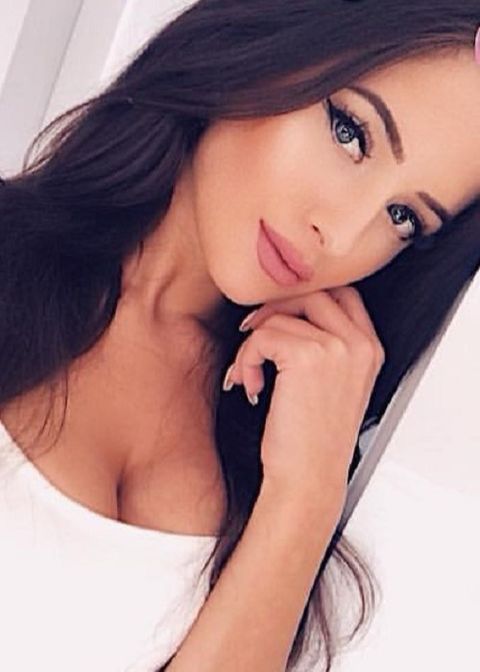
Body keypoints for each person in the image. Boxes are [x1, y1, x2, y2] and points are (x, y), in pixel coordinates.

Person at [0, 1, 479, 671]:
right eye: (351, 133)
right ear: (265, 42)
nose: (341, 234)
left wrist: (306, 495)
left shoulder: (283, 446)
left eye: (402, 217)